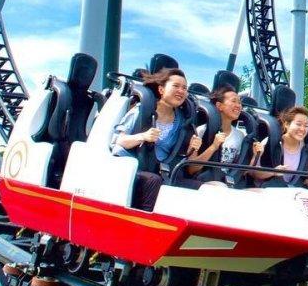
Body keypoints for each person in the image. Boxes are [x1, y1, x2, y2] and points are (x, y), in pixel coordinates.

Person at [110, 67, 191, 209]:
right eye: (176, 86)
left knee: (195, 186)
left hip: (163, 171)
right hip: (134, 167)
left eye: (184, 88)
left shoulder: (182, 121)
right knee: (153, 181)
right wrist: (143, 136)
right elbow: (119, 140)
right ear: (161, 90)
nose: (181, 91)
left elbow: (179, 156)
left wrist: (191, 148)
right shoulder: (142, 110)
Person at [178, 85, 263, 187]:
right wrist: (213, 147)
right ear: (219, 106)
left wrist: (255, 156)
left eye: (240, 102)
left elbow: (241, 172)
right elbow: (192, 169)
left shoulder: (240, 136)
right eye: (234, 101)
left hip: (229, 183)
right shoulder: (201, 131)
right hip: (204, 182)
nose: (238, 106)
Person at [253, 106, 308, 187]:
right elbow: (253, 173)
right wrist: (273, 172)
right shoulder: (270, 143)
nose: (302, 129)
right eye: (298, 124)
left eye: (306, 126)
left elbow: (304, 181)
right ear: (286, 124)